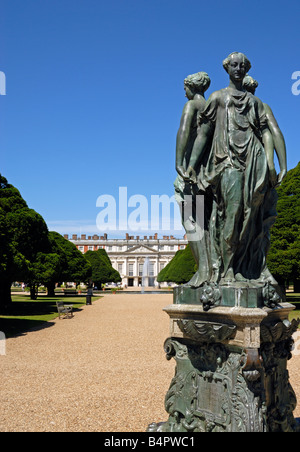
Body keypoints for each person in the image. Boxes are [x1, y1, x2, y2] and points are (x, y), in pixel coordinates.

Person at [185, 52, 279, 285]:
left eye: (242, 66)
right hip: (226, 163)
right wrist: (192, 165)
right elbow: (204, 134)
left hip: (252, 162)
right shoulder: (217, 98)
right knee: (232, 214)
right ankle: (226, 269)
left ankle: (241, 268)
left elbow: (267, 132)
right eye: (234, 65)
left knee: (250, 217)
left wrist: (271, 163)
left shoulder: (255, 103)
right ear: (227, 68)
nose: (238, 69)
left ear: (246, 69)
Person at [174, 72, 212, 286]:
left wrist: (179, 163)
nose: (184, 91)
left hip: (191, 173)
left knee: (190, 220)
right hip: (207, 171)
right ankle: (210, 269)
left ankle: (203, 270)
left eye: (185, 87)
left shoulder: (191, 106)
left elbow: (183, 132)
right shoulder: (211, 108)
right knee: (206, 222)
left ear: (192, 87)